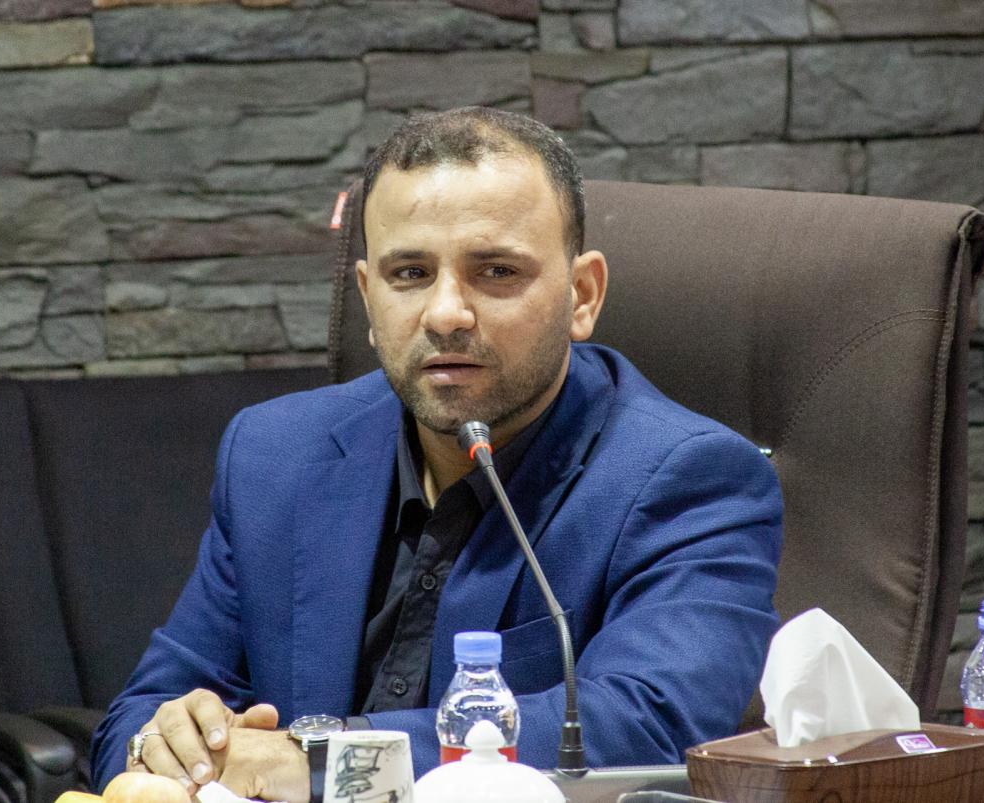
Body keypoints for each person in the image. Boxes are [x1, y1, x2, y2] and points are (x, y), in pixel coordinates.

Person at [91, 107, 783, 802]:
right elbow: (144, 708)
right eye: (411, 272)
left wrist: (320, 761)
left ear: (582, 295)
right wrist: (167, 748)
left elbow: (646, 723)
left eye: (497, 270)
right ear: (368, 298)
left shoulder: (694, 481)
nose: (446, 312)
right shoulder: (275, 454)